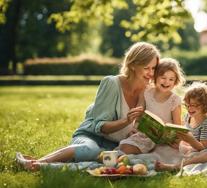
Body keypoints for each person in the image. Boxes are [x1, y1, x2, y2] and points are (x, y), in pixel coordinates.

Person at [16, 42, 160, 171]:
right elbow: (99, 126)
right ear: (133, 65)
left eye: (154, 69)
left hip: (115, 145)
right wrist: (126, 121)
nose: (151, 73)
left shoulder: (148, 92)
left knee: (108, 161)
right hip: (92, 136)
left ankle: (44, 164)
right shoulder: (111, 83)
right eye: (146, 68)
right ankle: (36, 164)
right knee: (90, 150)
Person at [155, 82, 207, 171]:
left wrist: (190, 140)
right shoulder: (188, 117)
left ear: (204, 105)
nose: (189, 109)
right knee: (167, 148)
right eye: (187, 105)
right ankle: (177, 161)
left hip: (204, 152)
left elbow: (202, 147)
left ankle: (175, 167)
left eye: (194, 105)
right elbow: (183, 136)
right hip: (191, 150)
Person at [119, 58, 185, 154]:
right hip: (145, 136)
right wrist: (134, 128)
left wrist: (177, 141)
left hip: (164, 140)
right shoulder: (147, 92)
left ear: (175, 81)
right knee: (125, 148)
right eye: (163, 78)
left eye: (171, 79)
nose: (167, 82)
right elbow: (138, 114)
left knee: (166, 155)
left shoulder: (174, 100)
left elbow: (177, 126)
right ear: (155, 77)